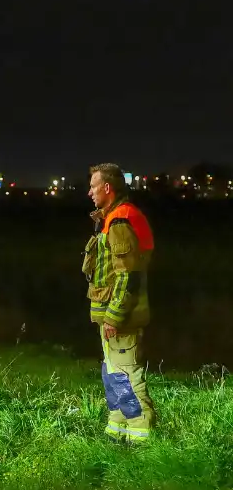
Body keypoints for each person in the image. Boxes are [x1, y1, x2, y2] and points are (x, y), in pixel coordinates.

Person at [82, 163, 155, 444]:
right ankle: (118, 429)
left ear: (108, 188)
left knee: (125, 371)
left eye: (93, 186)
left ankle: (141, 437)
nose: (89, 192)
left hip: (121, 316)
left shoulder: (121, 220)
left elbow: (129, 276)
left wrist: (113, 317)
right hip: (110, 314)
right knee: (113, 372)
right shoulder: (111, 218)